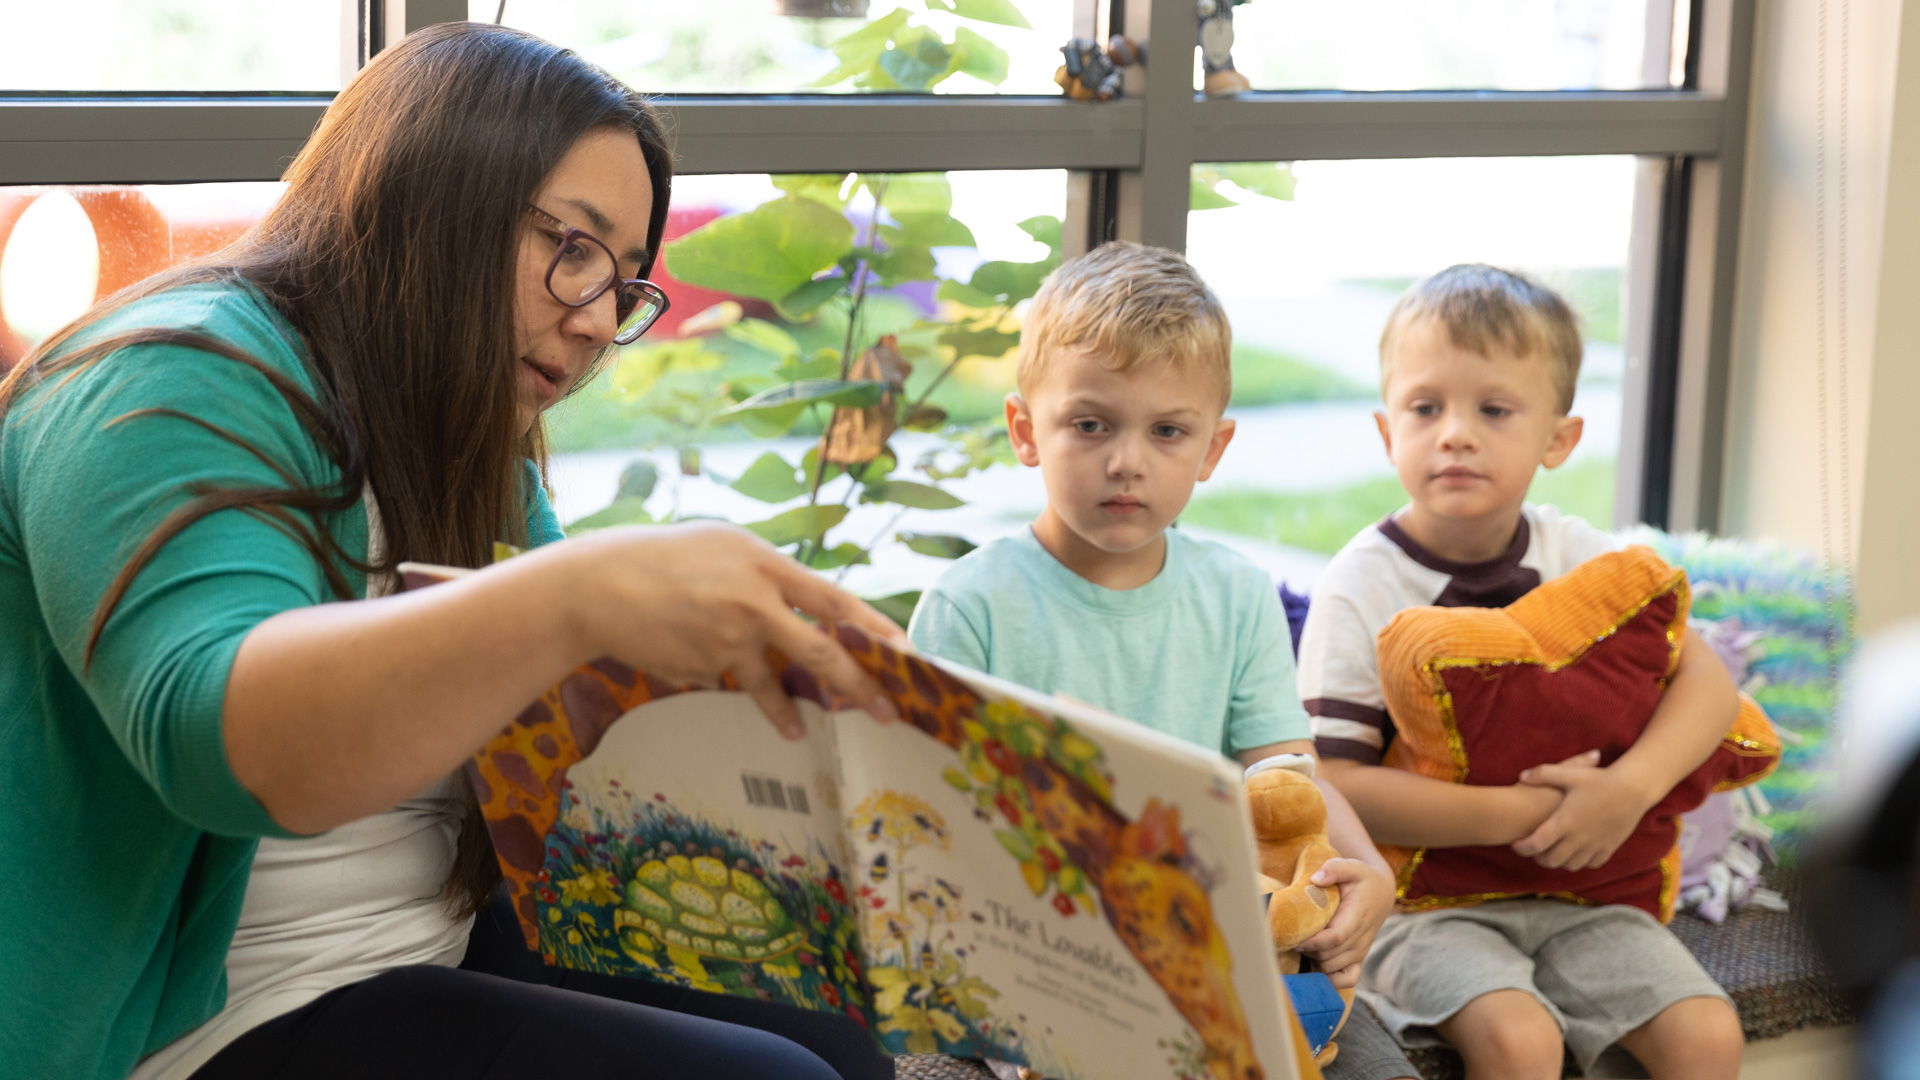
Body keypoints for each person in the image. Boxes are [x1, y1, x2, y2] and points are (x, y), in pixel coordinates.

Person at [0, 23, 902, 1080]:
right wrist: (578, 596)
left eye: (623, 282)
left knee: (843, 1029)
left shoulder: (466, 437)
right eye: (572, 249)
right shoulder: (165, 375)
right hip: (194, 1024)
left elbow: (570, 754)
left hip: (423, 940)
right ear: (430, 198)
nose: (597, 320)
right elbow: (219, 743)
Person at [907, 241, 1418, 1080]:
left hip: (1222, 945)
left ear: (1211, 452)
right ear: (1026, 431)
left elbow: (1288, 776)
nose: (1126, 460)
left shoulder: (1237, 595)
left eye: (1167, 431)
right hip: (1040, 955)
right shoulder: (972, 606)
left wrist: (1370, 876)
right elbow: (932, 822)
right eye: (1090, 424)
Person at [1299, 264, 1748, 1079]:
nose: (1455, 433)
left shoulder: (1577, 554)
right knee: (1519, 1040)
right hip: (1430, 908)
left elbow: (1711, 684)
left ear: (1558, 438)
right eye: (1425, 408)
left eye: (1493, 410)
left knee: (1709, 1037)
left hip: (1589, 899)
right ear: (1385, 429)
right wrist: (1528, 813)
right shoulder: (1360, 582)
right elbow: (1335, 779)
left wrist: (1629, 790)